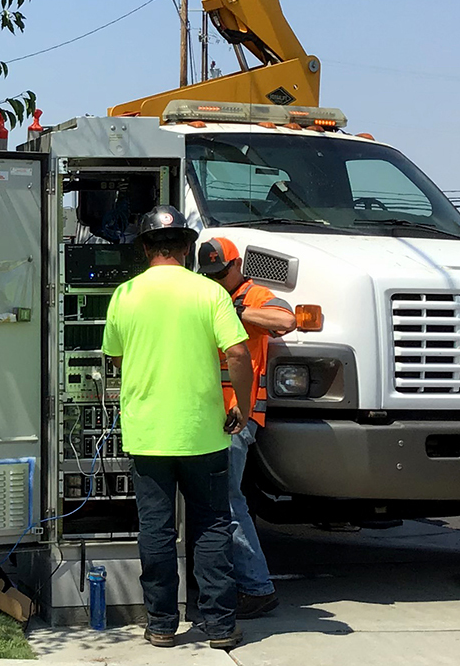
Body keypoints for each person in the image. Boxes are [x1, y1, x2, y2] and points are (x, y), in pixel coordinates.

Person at [102, 207, 253, 649]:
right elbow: (239, 355)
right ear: (186, 249)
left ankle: (162, 625)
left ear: (146, 248)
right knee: (211, 525)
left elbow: (115, 357)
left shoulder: (125, 294)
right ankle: (221, 626)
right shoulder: (209, 293)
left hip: (148, 434)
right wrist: (241, 407)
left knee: (156, 529)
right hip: (203, 433)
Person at [197, 236, 296, 618]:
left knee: (227, 502)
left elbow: (284, 320)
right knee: (218, 502)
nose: (218, 279)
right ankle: (236, 583)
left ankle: (256, 587)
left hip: (238, 418)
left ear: (238, 265)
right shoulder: (206, 293)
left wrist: (235, 313)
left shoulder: (253, 296)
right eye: (212, 274)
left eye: (223, 272)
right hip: (210, 417)